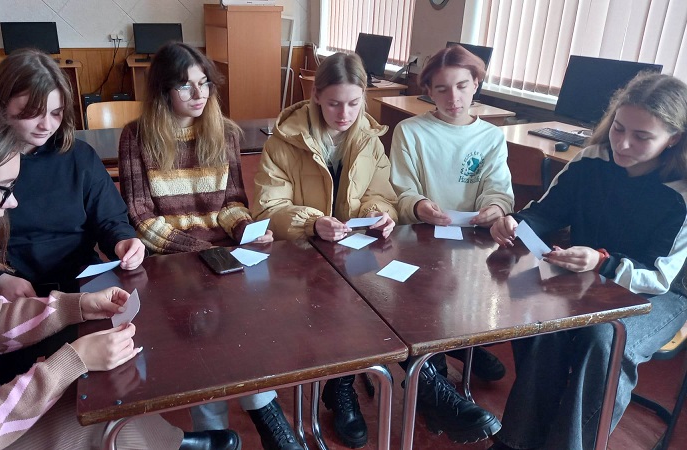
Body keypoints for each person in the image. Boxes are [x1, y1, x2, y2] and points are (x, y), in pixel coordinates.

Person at [0, 89, 240, 450]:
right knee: (100, 411)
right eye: (1, 189)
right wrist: (73, 360)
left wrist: (76, 306)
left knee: (107, 393)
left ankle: (171, 442)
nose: (13, 202)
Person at [489, 72, 687, 450]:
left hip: (659, 293)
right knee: (546, 320)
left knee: (605, 337)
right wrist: (516, 221)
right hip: (590, 277)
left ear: (673, 138)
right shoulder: (591, 160)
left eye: (642, 136)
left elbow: (659, 276)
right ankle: (517, 441)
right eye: (618, 128)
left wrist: (600, 261)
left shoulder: (679, 193)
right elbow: (548, 211)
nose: (622, 143)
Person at [117, 42, 299, 450]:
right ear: (163, 90)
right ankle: (226, 431)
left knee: (243, 332)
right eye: (186, 86)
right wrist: (197, 248)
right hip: (173, 260)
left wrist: (246, 229)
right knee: (200, 347)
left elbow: (231, 203)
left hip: (223, 255)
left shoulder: (225, 132)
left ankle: (266, 415)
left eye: (205, 84)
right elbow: (141, 219)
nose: (199, 94)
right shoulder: (137, 136)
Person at [0, 48, 146, 387]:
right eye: (31, 114)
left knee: (118, 365)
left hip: (78, 281)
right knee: (27, 379)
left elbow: (110, 218)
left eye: (56, 113)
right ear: (0, 106)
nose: (46, 125)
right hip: (11, 290)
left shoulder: (78, 155)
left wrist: (123, 240)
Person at [252, 52, 397, 449]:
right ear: (315, 95)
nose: (344, 114)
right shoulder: (284, 139)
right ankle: (333, 382)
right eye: (334, 103)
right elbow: (267, 209)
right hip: (299, 257)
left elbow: (382, 195)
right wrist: (313, 222)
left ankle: (341, 386)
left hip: (352, 253)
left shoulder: (369, 139)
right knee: (315, 319)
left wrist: (376, 214)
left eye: (353, 103)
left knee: (374, 306)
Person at [388, 44, 510, 443]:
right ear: (428, 91)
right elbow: (401, 191)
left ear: (476, 84)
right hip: (420, 240)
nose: (453, 97)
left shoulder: (491, 136)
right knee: (414, 302)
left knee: (468, 299)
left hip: (471, 244)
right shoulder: (410, 131)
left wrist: (494, 208)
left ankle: (456, 346)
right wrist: (419, 205)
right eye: (441, 88)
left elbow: (498, 189)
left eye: (461, 86)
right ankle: (434, 377)